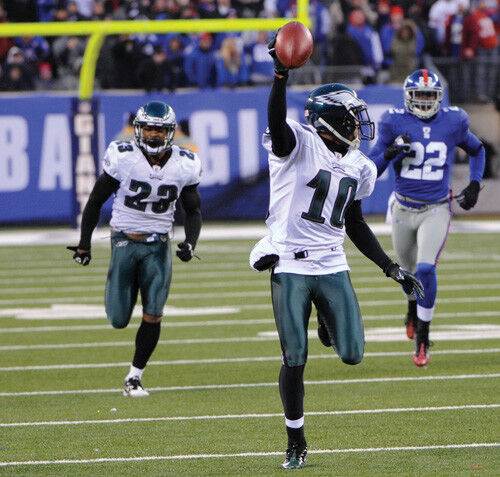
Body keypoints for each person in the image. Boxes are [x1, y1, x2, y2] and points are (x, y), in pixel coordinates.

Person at [249, 36, 424, 470]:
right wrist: (280, 75)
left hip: (331, 261)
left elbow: (356, 223)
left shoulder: (361, 166)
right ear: (329, 121)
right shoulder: (298, 144)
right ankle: (296, 439)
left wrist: (391, 268)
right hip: (289, 260)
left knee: (351, 353)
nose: (358, 125)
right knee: (294, 357)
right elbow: (276, 116)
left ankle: (327, 322)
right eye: (351, 118)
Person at [67, 101, 202, 396]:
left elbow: (193, 211)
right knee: (118, 319)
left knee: (154, 312)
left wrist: (191, 242)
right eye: (149, 128)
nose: (153, 135)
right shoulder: (123, 157)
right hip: (125, 241)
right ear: (139, 130)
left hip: (159, 245)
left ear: (170, 133)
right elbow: (94, 201)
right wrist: (84, 244)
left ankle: (134, 377)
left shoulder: (185, 163)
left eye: (159, 129)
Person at [370, 69, 485, 367]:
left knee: (425, 268)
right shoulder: (392, 121)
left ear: (439, 97)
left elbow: (477, 149)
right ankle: (412, 308)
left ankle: (423, 335)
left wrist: (474, 183)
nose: (423, 101)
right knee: (407, 273)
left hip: (436, 207)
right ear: (408, 97)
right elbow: (371, 168)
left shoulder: (453, 120)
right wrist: (391, 152)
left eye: (428, 95)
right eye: (418, 95)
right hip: (402, 208)